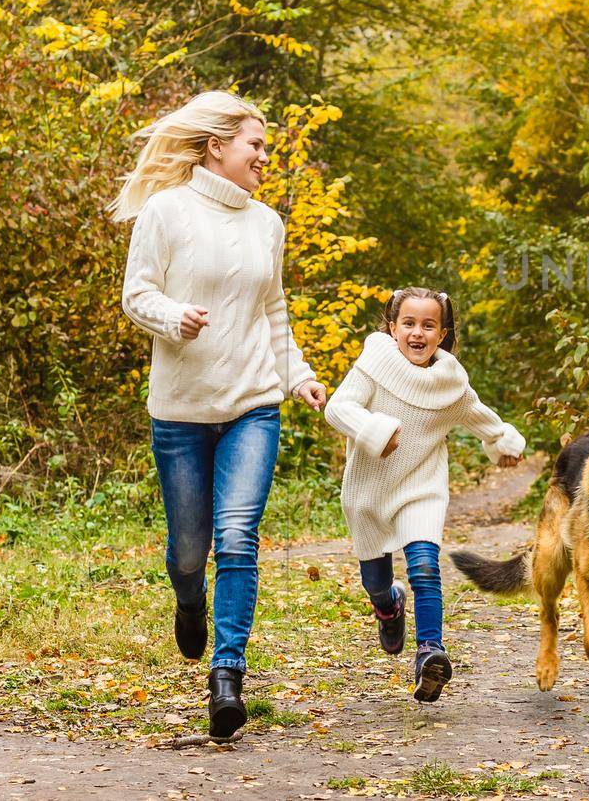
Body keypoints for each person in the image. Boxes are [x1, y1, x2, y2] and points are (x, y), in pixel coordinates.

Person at [113, 89, 327, 740]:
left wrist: (300, 377)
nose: (265, 155)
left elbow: (274, 312)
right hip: (179, 410)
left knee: (237, 537)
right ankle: (187, 598)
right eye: (255, 144)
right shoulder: (166, 212)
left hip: (252, 405)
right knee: (188, 550)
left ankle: (227, 674)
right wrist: (173, 317)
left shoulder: (267, 224)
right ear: (217, 147)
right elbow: (136, 294)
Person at [324, 286, 527, 703]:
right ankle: (388, 605)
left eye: (428, 325)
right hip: (368, 492)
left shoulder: (449, 385)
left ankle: (430, 651)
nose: (418, 333)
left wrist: (506, 444)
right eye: (409, 324)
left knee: (424, 566)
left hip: (421, 488)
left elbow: (483, 419)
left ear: (443, 333)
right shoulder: (374, 364)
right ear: (392, 328)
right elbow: (338, 408)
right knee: (376, 583)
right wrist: (376, 431)